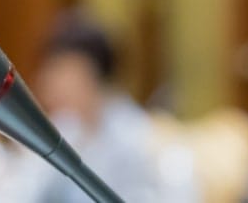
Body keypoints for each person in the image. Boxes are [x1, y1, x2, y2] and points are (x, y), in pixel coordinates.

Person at [19, 11, 158, 202]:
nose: (46, 81)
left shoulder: (137, 137)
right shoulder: (66, 127)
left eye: (60, 70)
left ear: (92, 73)